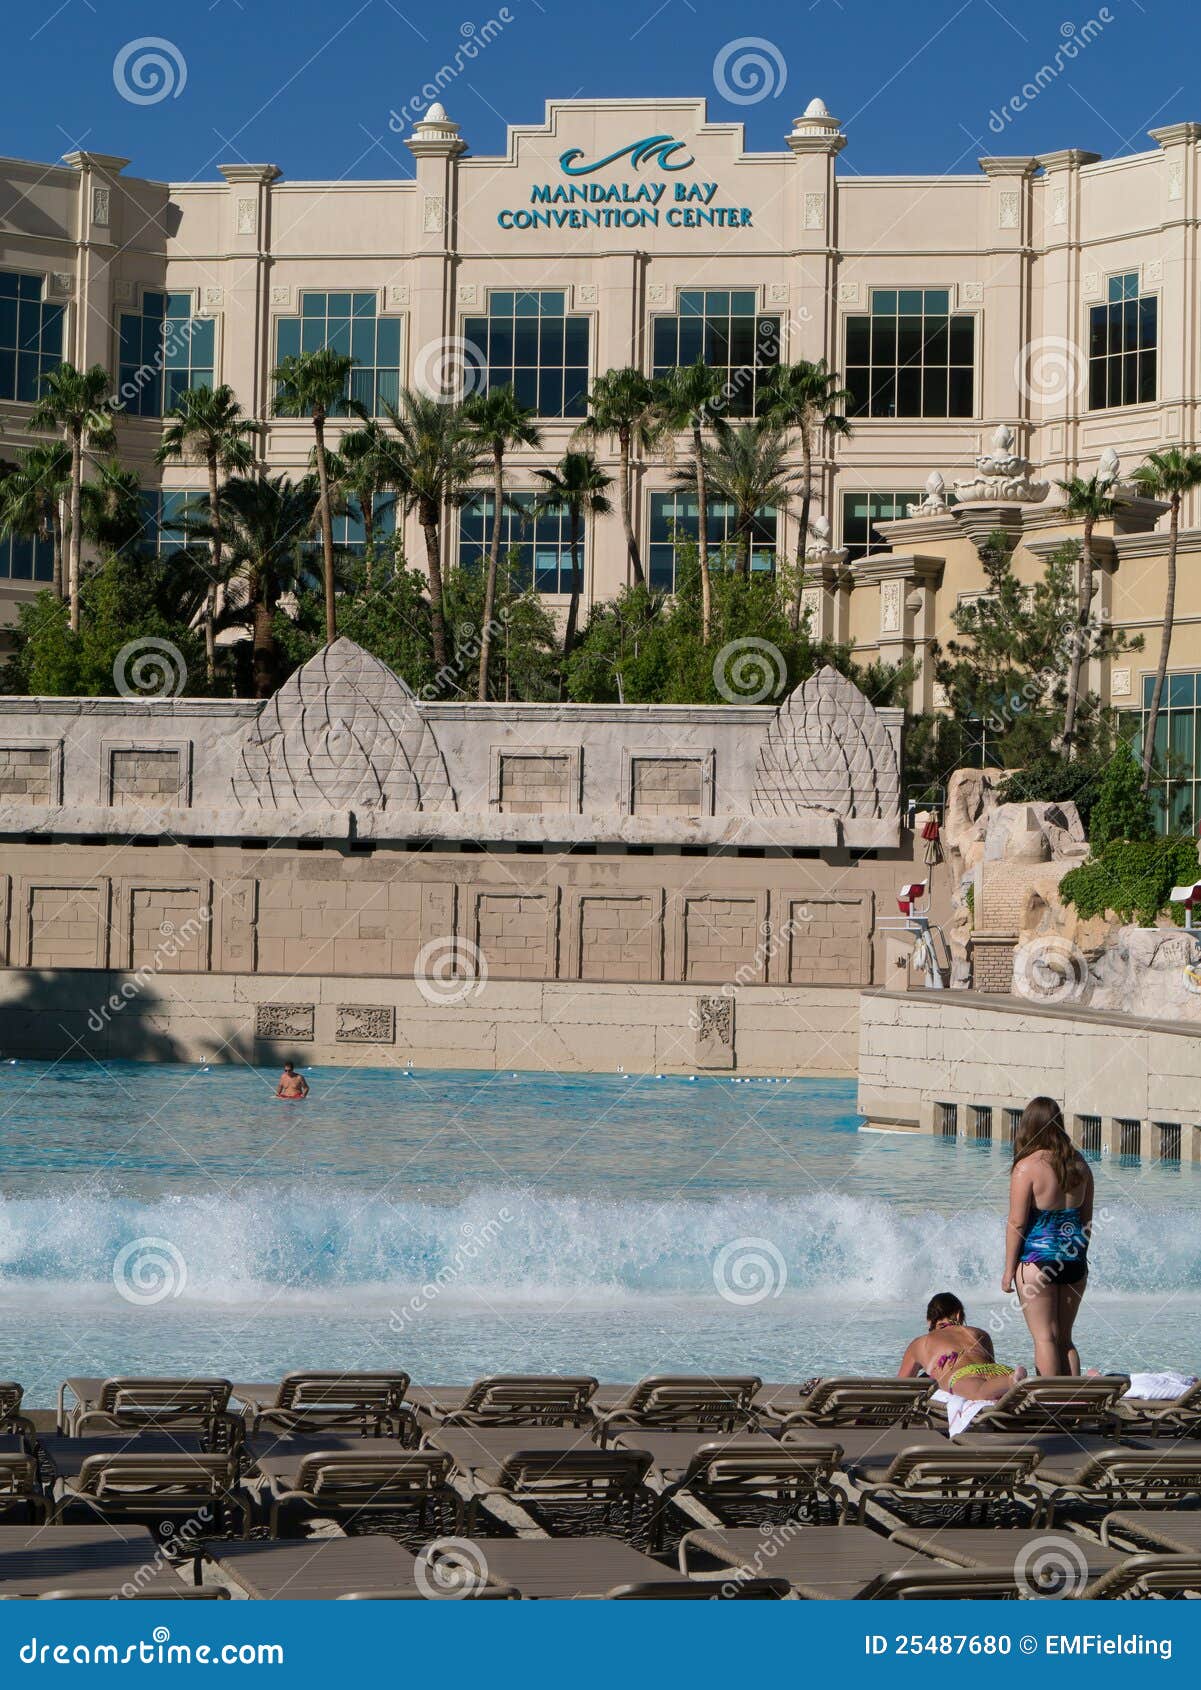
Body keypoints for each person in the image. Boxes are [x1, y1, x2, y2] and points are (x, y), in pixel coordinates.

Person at [1003, 1096, 1093, 1377]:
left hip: (1037, 1260)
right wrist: (1078, 1257)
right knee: (1065, 1338)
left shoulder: (1027, 1166)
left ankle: (1050, 1406)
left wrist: (1008, 1271)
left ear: (1029, 1125)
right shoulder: (1080, 1164)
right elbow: (1086, 1221)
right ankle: (1073, 1405)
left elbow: (1017, 1222)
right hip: (1074, 1261)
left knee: (1044, 1338)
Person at [897, 1292, 1025, 1401]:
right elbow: (988, 1362)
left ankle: (1011, 1381)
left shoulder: (920, 1343)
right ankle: (1012, 1379)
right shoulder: (979, 1333)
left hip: (962, 1375)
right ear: (958, 1315)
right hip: (997, 1371)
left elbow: (902, 1385)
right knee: (990, 1385)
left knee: (978, 1391)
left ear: (929, 1321)